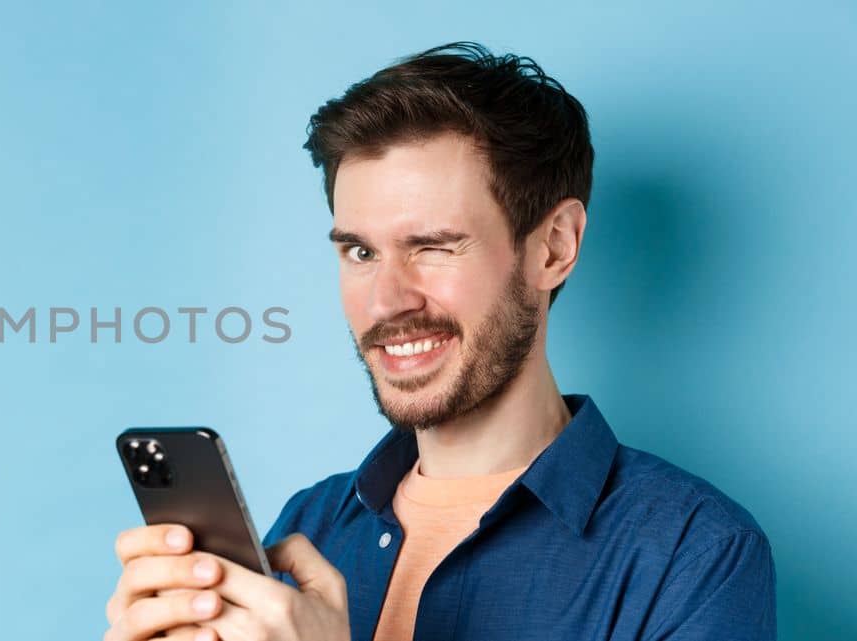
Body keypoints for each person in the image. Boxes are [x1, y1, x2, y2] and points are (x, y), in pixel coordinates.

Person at [101, 41, 775, 641]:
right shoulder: (309, 524)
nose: (386, 299)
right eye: (361, 251)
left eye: (434, 245)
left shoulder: (695, 553)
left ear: (554, 247)